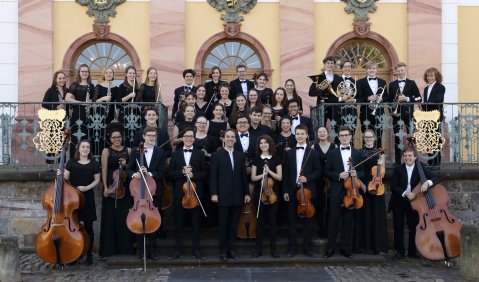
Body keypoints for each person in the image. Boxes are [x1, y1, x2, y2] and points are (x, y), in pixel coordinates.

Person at [389, 146, 437, 260]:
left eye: (410, 155)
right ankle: (399, 251)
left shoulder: (420, 168)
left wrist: (427, 183)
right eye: (405, 156)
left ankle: (412, 251)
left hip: (415, 202)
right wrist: (405, 193)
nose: (407, 158)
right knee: (398, 226)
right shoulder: (398, 169)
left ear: (415, 157)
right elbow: (393, 187)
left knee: (413, 226)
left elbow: (436, 177)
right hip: (399, 201)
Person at [210, 129, 251, 261]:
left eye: (232, 137)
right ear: (224, 139)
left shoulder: (240, 155)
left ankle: (232, 250)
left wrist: (247, 193)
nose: (230, 139)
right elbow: (213, 177)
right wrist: (214, 193)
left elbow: (243, 176)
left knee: (234, 225)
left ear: (235, 139)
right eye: (227, 137)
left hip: (238, 195)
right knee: (223, 225)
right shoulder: (217, 156)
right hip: (222, 196)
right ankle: (223, 251)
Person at [126, 126, 167, 260]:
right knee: (138, 220)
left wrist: (149, 173)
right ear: (143, 136)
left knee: (154, 221)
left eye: (153, 136)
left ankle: (153, 252)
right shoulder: (135, 152)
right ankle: (141, 252)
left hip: (154, 192)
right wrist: (135, 174)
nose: (151, 138)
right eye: (148, 135)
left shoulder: (160, 153)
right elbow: (129, 169)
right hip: (139, 192)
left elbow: (161, 173)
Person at [168, 128, 208, 260]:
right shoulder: (176, 154)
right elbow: (169, 175)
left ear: (194, 139)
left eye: (191, 136)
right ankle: (177, 250)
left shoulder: (200, 154)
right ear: (182, 138)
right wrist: (182, 173)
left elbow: (205, 173)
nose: (189, 138)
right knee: (178, 224)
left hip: (196, 195)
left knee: (196, 224)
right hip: (180, 195)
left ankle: (197, 250)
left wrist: (193, 175)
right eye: (186, 136)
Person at [324, 126, 363, 259]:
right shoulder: (332, 153)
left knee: (348, 220)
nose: (344, 137)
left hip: (351, 192)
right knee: (333, 220)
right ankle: (330, 248)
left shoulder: (357, 153)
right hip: (336, 191)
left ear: (350, 137)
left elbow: (363, 172)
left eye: (346, 135)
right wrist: (338, 175)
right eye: (342, 135)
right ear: (339, 137)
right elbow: (326, 172)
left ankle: (346, 249)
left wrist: (356, 173)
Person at [283, 124, 321, 258]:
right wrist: (285, 191)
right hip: (293, 191)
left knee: (308, 222)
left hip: (308, 192)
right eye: (297, 134)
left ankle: (308, 249)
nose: (299, 136)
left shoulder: (313, 153)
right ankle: (292, 249)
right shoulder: (289, 153)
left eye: (302, 134)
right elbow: (286, 174)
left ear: (306, 136)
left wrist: (308, 178)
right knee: (292, 222)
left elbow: (319, 171)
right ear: (295, 136)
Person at [62, 139, 101, 265]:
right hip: (73, 200)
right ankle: (74, 254)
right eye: (83, 147)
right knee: (73, 227)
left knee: (88, 227)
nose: (85, 149)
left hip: (87, 197)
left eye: (87, 147)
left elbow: (97, 180)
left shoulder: (94, 163)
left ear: (90, 150)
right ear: (78, 148)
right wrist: (60, 175)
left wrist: (86, 188)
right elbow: (65, 180)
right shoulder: (71, 163)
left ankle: (89, 254)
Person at [99, 123, 134, 257]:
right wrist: (105, 187)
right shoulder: (106, 151)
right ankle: (109, 249)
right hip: (111, 187)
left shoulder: (129, 151)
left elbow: (132, 168)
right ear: (110, 139)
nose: (117, 139)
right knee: (110, 218)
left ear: (122, 137)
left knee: (123, 217)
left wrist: (127, 164)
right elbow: (104, 169)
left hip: (124, 189)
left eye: (118, 137)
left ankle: (125, 248)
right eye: (114, 138)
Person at [353, 129, 388, 254]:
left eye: (370, 137)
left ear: (374, 138)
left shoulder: (380, 152)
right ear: (363, 138)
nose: (368, 139)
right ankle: (364, 245)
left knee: (377, 216)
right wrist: (362, 185)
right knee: (364, 215)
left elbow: (383, 171)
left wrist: (381, 165)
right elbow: (356, 172)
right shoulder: (359, 152)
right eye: (366, 137)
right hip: (363, 187)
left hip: (377, 185)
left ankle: (378, 247)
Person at [251, 135, 282, 258]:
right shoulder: (256, 160)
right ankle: (258, 250)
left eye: (265, 142)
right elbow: (253, 177)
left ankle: (274, 250)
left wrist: (269, 172)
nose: (263, 145)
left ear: (270, 144)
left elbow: (279, 177)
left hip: (273, 195)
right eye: (261, 143)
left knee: (273, 223)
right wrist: (262, 175)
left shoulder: (276, 159)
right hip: (260, 195)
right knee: (260, 223)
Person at [388, 62, 421, 165]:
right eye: (399, 70)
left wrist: (406, 98)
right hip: (397, 115)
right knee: (397, 139)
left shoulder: (412, 83)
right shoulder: (392, 85)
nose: (400, 72)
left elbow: (418, 97)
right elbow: (390, 101)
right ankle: (398, 162)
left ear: (405, 71)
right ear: (396, 71)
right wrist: (392, 112)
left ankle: (414, 160)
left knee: (412, 138)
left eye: (402, 70)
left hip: (409, 114)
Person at [355, 61, 390, 148]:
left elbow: (387, 97)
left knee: (378, 136)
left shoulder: (383, 82)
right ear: (366, 70)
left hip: (379, 113)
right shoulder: (360, 82)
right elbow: (358, 98)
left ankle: (378, 158)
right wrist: (368, 98)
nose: (372, 70)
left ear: (376, 70)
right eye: (370, 68)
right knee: (366, 136)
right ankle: (365, 157)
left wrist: (381, 98)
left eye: (374, 68)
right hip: (365, 113)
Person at [65, 64, 95, 159]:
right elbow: (67, 98)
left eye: (86, 71)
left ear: (89, 73)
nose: (84, 73)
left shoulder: (91, 85)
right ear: (79, 73)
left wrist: (90, 102)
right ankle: (74, 160)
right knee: (76, 137)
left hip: (88, 114)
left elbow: (94, 100)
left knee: (86, 137)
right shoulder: (75, 85)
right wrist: (81, 103)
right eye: (82, 71)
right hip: (77, 113)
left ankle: (85, 160)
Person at [311, 126, 335, 239]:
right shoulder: (313, 147)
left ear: (327, 133)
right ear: (317, 134)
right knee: (319, 206)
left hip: (332, 180)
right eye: (319, 132)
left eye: (324, 132)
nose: (322, 134)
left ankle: (330, 230)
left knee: (331, 206)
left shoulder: (334, 146)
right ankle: (321, 230)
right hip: (318, 180)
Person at [41, 70, 67, 171]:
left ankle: (61, 165)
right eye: (60, 78)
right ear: (55, 80)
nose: (62, 80)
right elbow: (44, 104)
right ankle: (50, 165)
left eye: (63, 78)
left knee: (63, 142)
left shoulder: (67, 90)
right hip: (53, 120)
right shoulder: (50, 90)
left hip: (64, 119)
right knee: (52, 142)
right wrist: (56, 106)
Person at [308, 56, 343, 127]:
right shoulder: (319, 77)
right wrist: (322, 92)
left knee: (337, 127)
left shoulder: (339, 78)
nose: (330, 65)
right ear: (324, 64)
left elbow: (341, 92)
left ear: (334, 65)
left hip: (335, 106)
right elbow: (311, 92)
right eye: (328, 63)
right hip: (322, 106)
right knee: (321, 126)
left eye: (332, 63)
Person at [421, 67, 445, 167]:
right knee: (429, 139)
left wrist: (425, 103)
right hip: (427, 116)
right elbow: (426, 102)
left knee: (436, 140)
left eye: (431, 75)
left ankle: (436, 162)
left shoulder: (440, 87)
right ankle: (430, 161)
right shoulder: (426, 88)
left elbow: (437, 99)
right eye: (428, 76)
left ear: (436, 76)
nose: (429, 77)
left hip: (436, 116)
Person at [92, 67, 119, 155]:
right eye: (106, 72)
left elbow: (118, 104)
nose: (108, 74)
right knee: (99, 137)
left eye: (110, 72)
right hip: (99, 116)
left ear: (113, 75)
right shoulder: (98, 86)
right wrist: (103, 98)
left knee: (108, 137)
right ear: (104, 74)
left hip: (110, 116)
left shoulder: (116, 88)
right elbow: (93, 102)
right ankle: (98, 158)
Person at [117, 66, 140, 147]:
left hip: (135, 115)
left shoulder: (137, 88)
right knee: (126, 135)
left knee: (135, 135)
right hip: (124, 115)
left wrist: (136, 106)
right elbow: (118, 101)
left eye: (134, 73)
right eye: (130, 73)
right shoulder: (122, 86)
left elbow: (140, 102)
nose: (132, 75)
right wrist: (130, 96)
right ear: (126, 74)